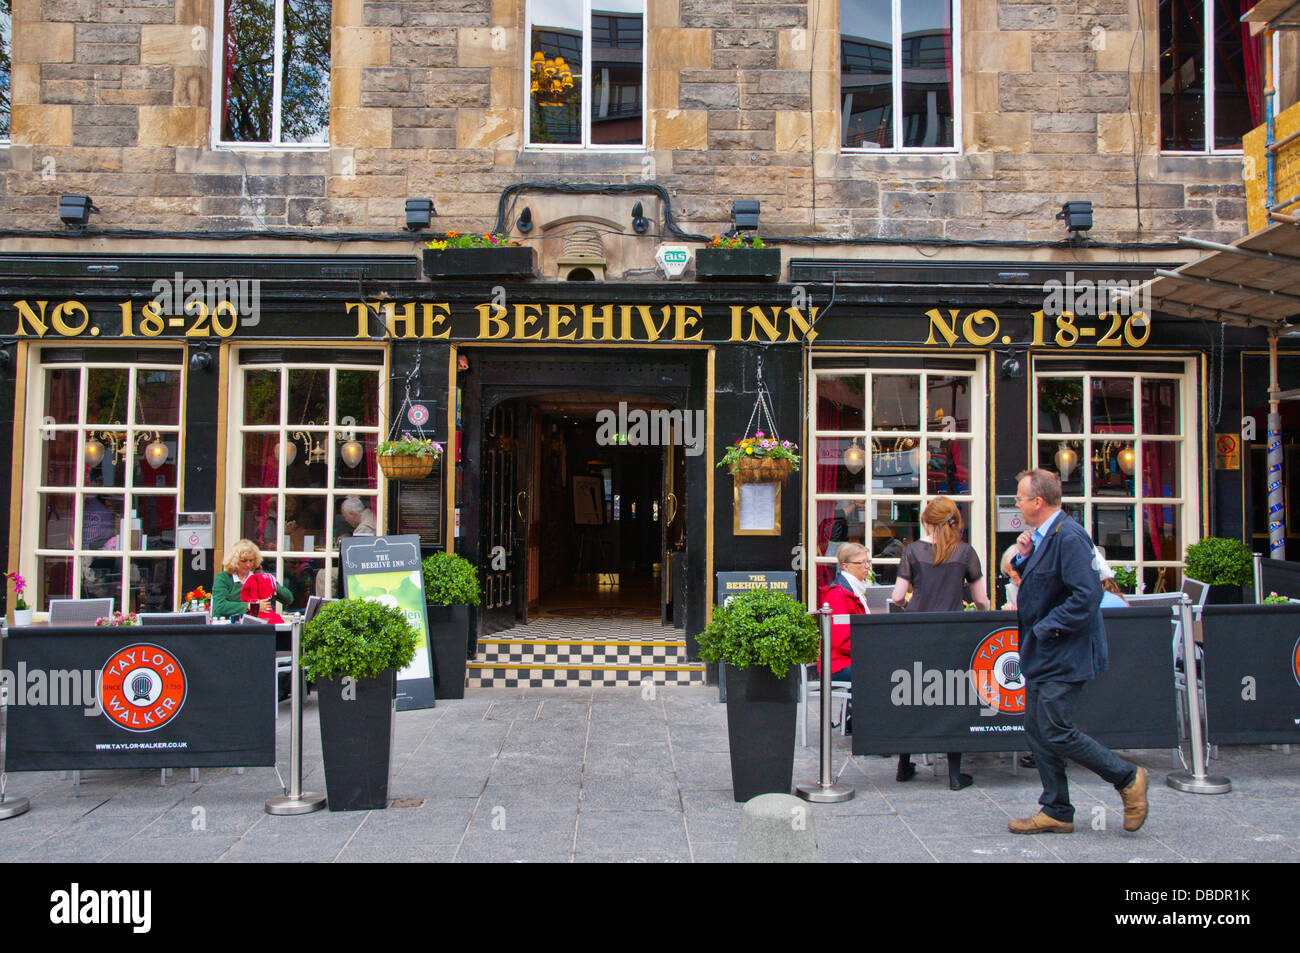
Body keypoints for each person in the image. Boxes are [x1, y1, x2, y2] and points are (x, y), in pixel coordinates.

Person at [1006, 468, 1148, 835]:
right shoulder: (1044, 536)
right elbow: (1046, 583)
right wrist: (1023, 557)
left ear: (1038, 501)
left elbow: (1086, 596)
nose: (1017, 504)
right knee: (1038, 728)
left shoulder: (1069, 535)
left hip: (1063, 651)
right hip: (1045, 651)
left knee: (1054, 728)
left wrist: (1043, 629)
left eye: (1020, 498)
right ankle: (1056, 809)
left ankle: (1128, 778)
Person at [890, 497, 990, 790]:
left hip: (917, 631)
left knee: (912, 694)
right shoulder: (966, 552)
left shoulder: (913, 552)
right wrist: (982, 616)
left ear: (927, 522)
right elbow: (982, 600)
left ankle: (903, 764)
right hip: (952, 632)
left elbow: (897, 597)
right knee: (952, 698)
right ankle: (955, 775)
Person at [815, 542, 872, 733]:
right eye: (861, 563)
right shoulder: (838, 595)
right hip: (837, 663)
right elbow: (840, 641)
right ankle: (865, 727)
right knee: (876, 671)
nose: (867, 567)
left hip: (848, 659)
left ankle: (856, 720)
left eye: (867, 562)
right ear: (845, 566)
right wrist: (870, 648)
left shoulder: (855, 590)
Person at [213, 539, 293, 620]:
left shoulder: (259, 576)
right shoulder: (223, 577)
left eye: (251, 561)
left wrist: (267, 580)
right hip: (226, 626)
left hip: (255, 626)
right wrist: (251, 606)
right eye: (243, 561)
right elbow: (220, 606)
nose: (248, 565)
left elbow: (288, 599)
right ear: (234, 561)